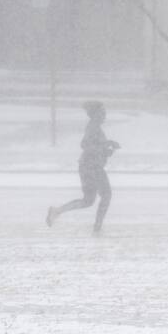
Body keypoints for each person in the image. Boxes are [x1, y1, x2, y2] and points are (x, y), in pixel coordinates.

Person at [46, 100, 120, 234]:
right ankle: (97, 228)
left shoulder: (94, 127)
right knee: (106, 195)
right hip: (92, 167)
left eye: (105, 112)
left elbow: (94, 147)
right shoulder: (93, 127)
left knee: (88, 200)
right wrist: (106, 144)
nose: (105, 115)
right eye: (102, 112)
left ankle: (57, 211)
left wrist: (107, 150)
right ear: (96, 114)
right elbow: (85, 145)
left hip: (87, 166)